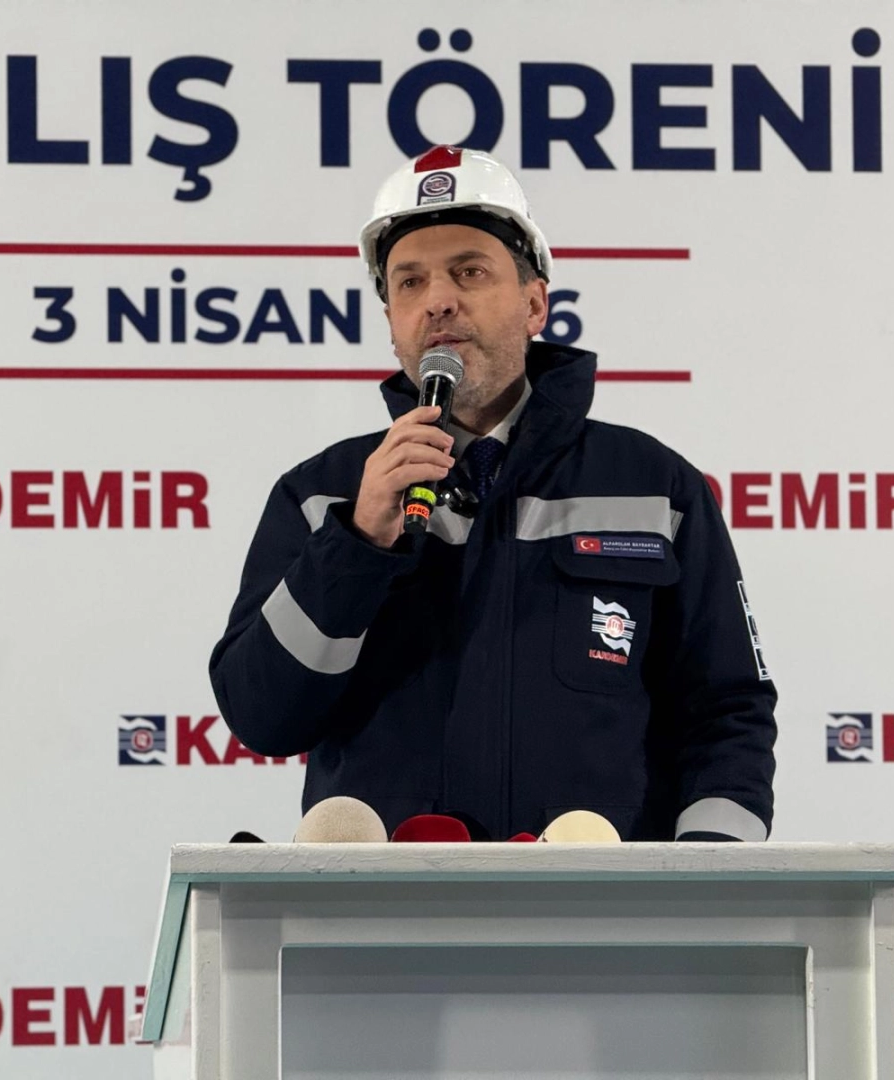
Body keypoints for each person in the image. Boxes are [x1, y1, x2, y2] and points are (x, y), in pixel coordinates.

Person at [209, 145, 776, 842]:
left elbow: (727, 714)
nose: (438, 300)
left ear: (535, 304)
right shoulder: (320, 496)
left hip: (600, 904)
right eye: (409, 282)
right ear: (391, 323)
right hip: (383, 906)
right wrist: (356, 542)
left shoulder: (656, 487)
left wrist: (706, 876)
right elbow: (263, 717)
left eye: (469, 271)